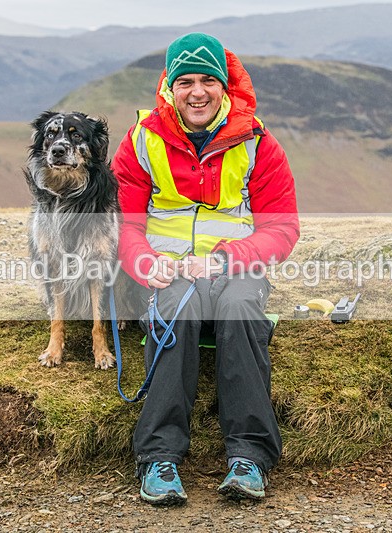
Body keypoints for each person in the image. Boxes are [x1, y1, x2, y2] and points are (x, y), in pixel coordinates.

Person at [112, 32, 299, 505]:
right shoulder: (140, 142)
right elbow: (121, 226)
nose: (197, 92)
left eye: (209, 81)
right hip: (168, 275)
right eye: (186, 82)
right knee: (179, 312)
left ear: (225, 86)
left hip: (236, 270)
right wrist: (143, 262)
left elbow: (282, 229)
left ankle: (249, 459)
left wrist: (223, 259)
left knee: (240, 309)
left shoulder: (259, 142)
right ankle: (159, 458)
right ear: (168, 89)